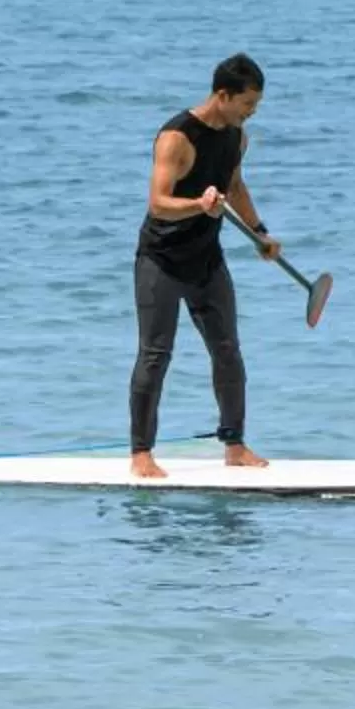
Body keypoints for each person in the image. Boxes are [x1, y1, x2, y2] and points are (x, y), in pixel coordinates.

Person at [131, 53, 276, 480]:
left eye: (255, 106)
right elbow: (158, 203)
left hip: (206, 260)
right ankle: (141, 454)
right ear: (223, 95)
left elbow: (234, 184)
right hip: (160, 260)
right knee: (156, 354)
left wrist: (259, 231)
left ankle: (234, 445)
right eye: (247, 104)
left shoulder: (237, 136)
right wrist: (198, 205)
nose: (251, 113)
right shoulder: (177, 137)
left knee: (227, 350)